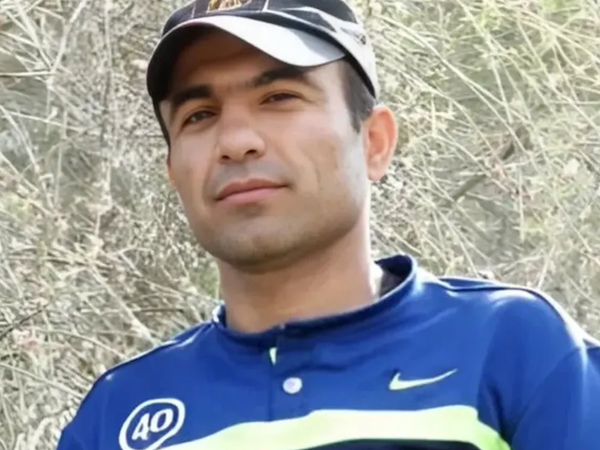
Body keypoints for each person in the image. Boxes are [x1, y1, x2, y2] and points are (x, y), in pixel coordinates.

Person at [56, 0, 600, 449]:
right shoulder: (118, 415)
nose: (236, 141)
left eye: (279, 98)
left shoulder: (513, 347)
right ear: (174, 172)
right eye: (199, 116)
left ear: (375, 143)